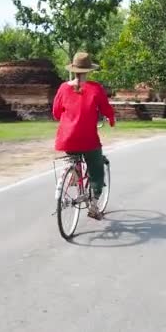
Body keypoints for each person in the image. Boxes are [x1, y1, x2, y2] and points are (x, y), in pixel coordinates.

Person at [52, 52, 116, 220]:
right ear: (89, 70)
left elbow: (56, 112)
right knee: (96, 169)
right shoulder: (95, 88)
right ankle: (94, 205)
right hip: (88, 139)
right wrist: (111, 119)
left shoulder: (63, 88)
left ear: (73, 70)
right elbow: (106, 109)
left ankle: (74, 173)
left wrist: (68, 120)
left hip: (67, 138)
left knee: (73, 154)